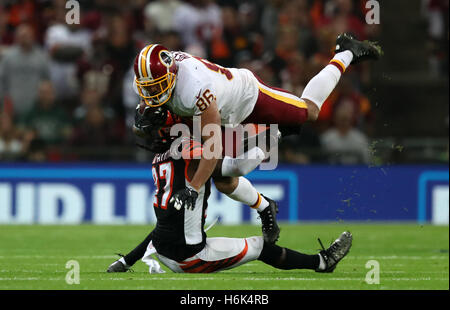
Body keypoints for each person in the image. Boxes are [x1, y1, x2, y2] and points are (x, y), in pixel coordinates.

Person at [130, 33, 381, 243]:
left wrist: (193, 189)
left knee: (309, 112)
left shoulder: (195, 88)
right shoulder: (159, 78)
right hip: (211, 113)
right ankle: (264, 205)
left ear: (171, 75)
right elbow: (155, 109)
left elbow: (212, 148)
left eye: (156, 86)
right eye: (147, 87)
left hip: (246, 97)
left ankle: (345, 52)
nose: (151, 93)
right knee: (224, 181)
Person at [107, 122, 352, 274]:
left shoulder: (158, 159)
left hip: (164, 249)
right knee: (260, 247)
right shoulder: (186, 150)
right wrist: (273, 137)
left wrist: (127, 261)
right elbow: (234, 165)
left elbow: (162, 227)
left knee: (174, 219)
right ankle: (321, 262)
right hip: (189, 257)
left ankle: (265, 205)